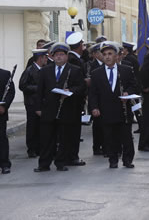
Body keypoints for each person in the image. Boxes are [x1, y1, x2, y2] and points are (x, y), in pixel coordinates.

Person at [34, 43, 86, 172]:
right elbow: (39, 91)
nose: (59, 57)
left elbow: (81, 87)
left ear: (66, 56)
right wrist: (38, 108)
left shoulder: (74, 70)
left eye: (61, 55)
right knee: (46, 138)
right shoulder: (45, 70)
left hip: (66, 109)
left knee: (64, 138)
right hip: (49, 110)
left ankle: (61, 162)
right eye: (56, 55)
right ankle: (44, 164)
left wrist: (70, 90)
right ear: (52, 56)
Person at [89, 42, 138, 168]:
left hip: (123, 109)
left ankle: (127, 160)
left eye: (110, 54)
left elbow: (134, 85)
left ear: (117, 56)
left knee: (126, 136)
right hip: (106, 110)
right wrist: (94, 107)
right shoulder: (96, 73)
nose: (107, 57)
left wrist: (128, 92)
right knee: (109, 137)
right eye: (104, 54)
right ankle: (113, 159)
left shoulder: (126, 70)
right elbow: (93, 93)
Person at [19, 48, 48, 158]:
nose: (46, 59)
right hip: (32, 103)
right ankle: (31, 149)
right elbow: (22, 86)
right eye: (45, 57)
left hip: (42, 103)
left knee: (41, 126)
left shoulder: (45, 70)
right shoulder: (29, 70)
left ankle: (40, 148)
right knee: (32, 126)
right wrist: (38, 88)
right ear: (40, 58)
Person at [66, 32, 87, 167]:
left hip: (74, 100)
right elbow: (78, 81)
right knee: (73, 132)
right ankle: (72, 156)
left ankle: (72, 155)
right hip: (73, 101)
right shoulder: (74, 60)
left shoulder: (76, 58)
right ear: (79, 45)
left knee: (72, 131)